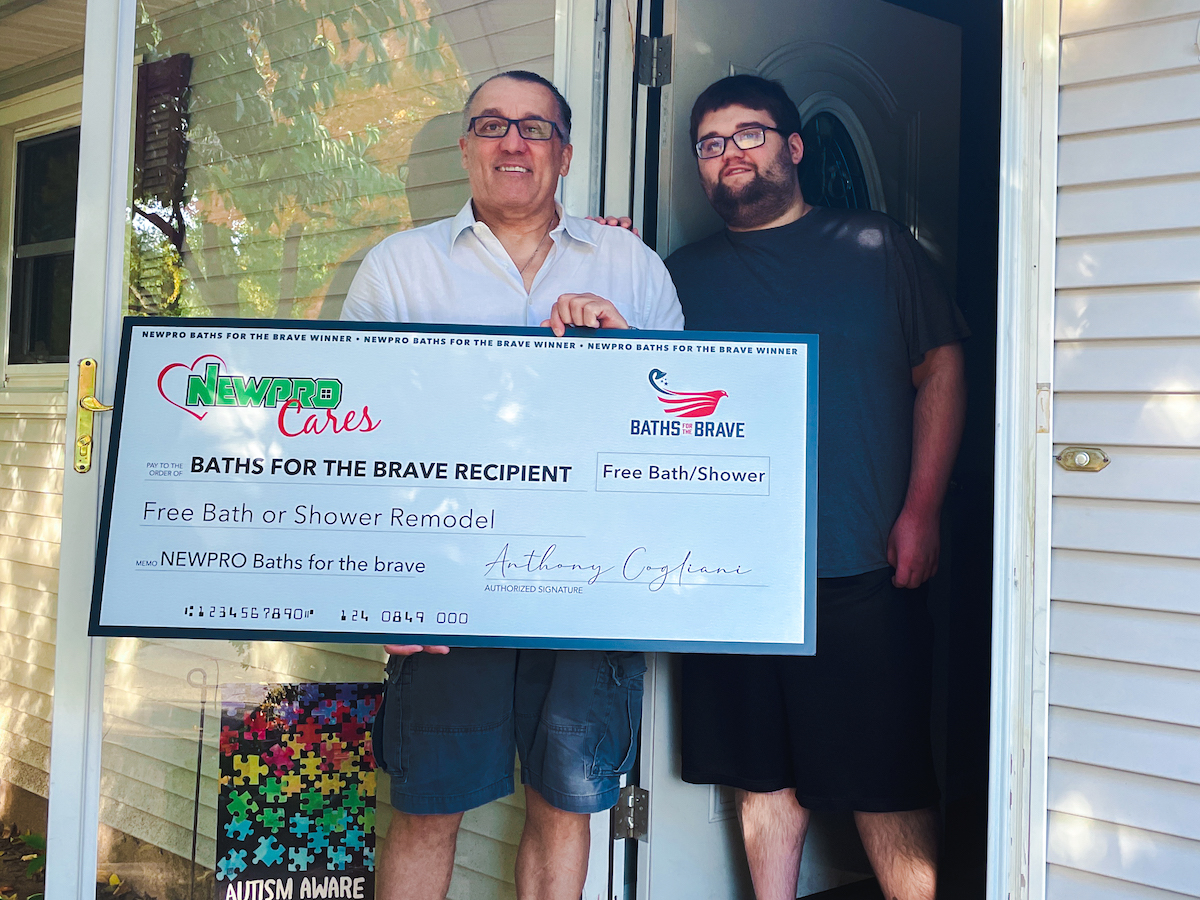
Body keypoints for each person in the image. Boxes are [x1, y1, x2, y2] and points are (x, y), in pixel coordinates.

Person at [341, 70, 683, 900]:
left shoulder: (632, 266)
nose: (513, 141)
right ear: (467, 148)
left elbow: (676, 425)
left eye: (535, 127)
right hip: (442, 584)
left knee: (565, 806)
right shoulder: (400, 269)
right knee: (427, 806)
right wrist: (374, 586)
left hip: (590, 582)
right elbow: (353, 439)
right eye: (492, 124)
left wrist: (622, 347)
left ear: (564, 153)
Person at [665, 75, 968, 900]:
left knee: (886, 775)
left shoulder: (876, 247)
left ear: (794, 147)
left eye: (750, 134)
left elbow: (940, 366)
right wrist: (608, 252)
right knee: (761, 777)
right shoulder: (675, 277)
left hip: (862, 558)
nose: (730, 154)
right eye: (711, 142)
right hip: (731, 577)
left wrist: (922, 510)